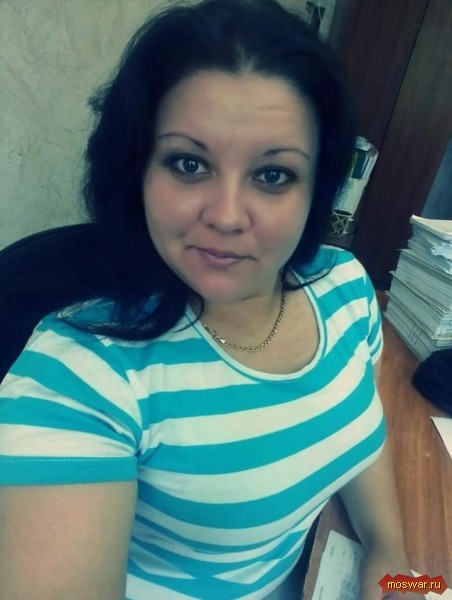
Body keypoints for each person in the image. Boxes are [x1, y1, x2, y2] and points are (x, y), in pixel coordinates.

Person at [0, 1, 422, 599]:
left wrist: (392, 558)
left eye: (272, 174)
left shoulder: (347, 288)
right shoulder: (78, 377)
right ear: (137, 171)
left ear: (316, 188)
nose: (226, 216)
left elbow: (354, 422)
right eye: (188, 163)